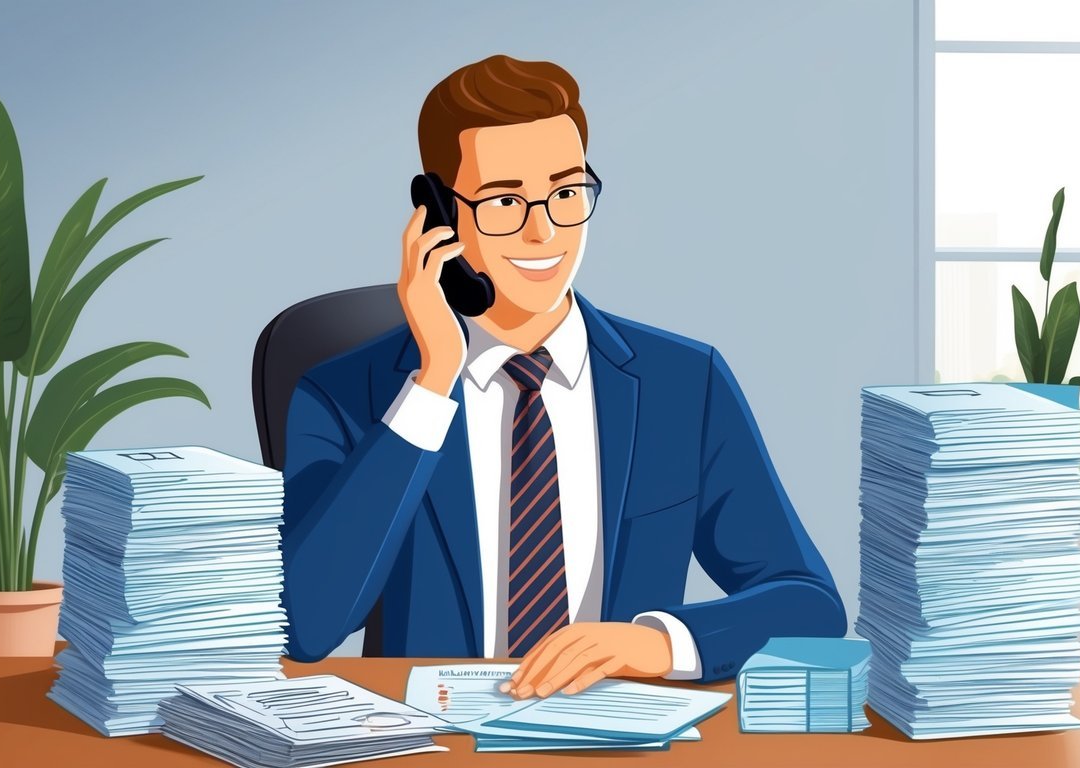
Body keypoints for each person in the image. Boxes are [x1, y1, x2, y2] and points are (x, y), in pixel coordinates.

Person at [281, 54, 845, 700]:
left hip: (617, 739)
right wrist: (434, 380)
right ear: (438, 213)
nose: (543, 230)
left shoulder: (683, 384)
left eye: (566, 192)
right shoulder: (346, 395)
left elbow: (809, 604)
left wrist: (656, 643)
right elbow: (306, 625)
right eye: (503, 201)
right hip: (435, 743)